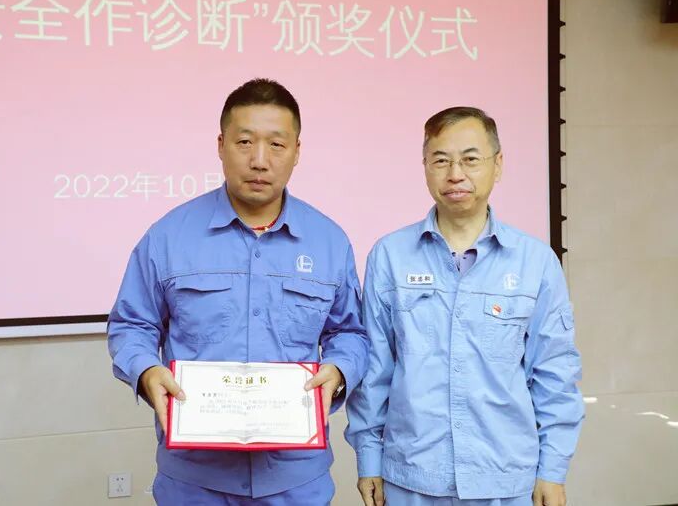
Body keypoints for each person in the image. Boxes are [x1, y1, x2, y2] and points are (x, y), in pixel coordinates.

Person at [107, 78, 369, 505]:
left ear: (297, 151)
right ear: (221, 145)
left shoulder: (329, 242)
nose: (259, 160)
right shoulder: (168, 236)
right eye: (244, 142)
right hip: (194, 481)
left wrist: (338, 370)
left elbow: (350, 332)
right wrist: (146, 372)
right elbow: (132, 325)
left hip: (295, 481)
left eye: (276, 145)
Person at [345, 107, 584, 506]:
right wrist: (369, 458)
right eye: (441, 160)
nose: (455, 174)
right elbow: (375, 370)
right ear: (425, 167)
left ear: (498, 164)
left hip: (507, 480)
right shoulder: (390, 255)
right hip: (411, 477)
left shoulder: (536, 261)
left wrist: (552, 470)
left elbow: (555, 373)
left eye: (471, 159)